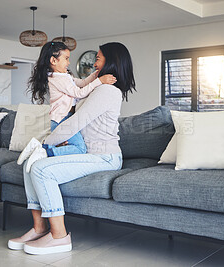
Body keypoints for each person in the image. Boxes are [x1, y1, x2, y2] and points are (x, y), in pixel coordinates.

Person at [8, 42, 136, 255]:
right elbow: (76, 117)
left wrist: (47, 143)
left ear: (111, 62)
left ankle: (59, 236)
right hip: (86, 151)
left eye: (99, 57)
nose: (94, 62)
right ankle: (39, 228)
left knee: (40, 168)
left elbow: (77, 121)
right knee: (30, 166)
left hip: (104, 156)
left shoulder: (107, 91)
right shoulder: (96, 86)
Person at [17, 42, 117, 172]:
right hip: (62, 119)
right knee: (80, 149)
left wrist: (95, 75)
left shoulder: (65, 76)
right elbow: (79, 93)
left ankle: (38, 147)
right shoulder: (57, 78)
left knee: (74, 147)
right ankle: (44, 150)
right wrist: (100, 81)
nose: (68, 62)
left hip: (64, 117)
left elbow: (82, 83)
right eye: (66, 58)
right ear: (53, 60)